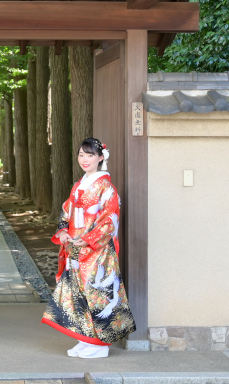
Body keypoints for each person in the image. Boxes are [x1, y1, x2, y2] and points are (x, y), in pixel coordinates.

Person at [41, 138, 136, 358]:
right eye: (82, 155)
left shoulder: (106, 187)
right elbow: (66, 211)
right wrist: (63, 231)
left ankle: (100, 344)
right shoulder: (78, 185)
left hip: (97, 251)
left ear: (101, 157)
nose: (85, 159)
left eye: (90, 155)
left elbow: (109, 219)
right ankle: (85, 339)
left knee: (98, 293)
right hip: (75, 247)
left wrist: (90, 238)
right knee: (78, 293)